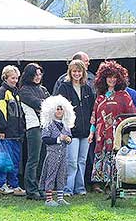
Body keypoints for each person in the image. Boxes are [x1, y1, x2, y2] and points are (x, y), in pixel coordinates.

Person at [87, 60, 136, 193]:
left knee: (114, 157)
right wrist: (92, 133)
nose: (112, 80)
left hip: (117, 133)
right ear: (104, 79)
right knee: (99, 156)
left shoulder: (124, 96)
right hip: (100, 134)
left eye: (115, 77)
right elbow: (94, 117)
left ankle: (112, 183)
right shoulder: (100, 97)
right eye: (109, 77)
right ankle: (97, 183)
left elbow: (132, 114)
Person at [57, 60, 95, 196]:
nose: (77, 74)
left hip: (85, 131)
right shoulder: (64, 87)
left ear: (83, 72)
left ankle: (80, 188)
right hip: (71, 131)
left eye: (79, 71)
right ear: (70, 72)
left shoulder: (87, 88)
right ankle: (68, 188)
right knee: (71, 161)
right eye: (74, 71)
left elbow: (92, 108)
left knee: (82, 161)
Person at [0, 65, 26, 196]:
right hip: (5, 134)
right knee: (3, 160)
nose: (15, 80)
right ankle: (1, 185)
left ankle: (14, 184)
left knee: (15, 161)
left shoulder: (16, 93)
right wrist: (1, 130)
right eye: (12, 78)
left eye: (17, 78)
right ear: (5, 78)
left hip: (16, 134)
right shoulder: (1, 93)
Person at [19, 63, 50, 200]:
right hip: (34, 127)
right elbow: (40, 104)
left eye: (39, 74)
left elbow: (51, 104)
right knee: (34, 159)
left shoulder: (42, 89)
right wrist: (47, 104)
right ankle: (31, 190)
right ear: (29, 75)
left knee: (43, 159)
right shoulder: (24, 90)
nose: (38, 77)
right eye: (35, 74)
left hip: (45, 126)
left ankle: (40, 187)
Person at [39, 95, 75, 207]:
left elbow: (69, 137)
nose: (59, 111)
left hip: (63, 155)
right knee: (50, 175)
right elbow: (45, 139)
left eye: (61, 109)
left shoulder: (66, 124)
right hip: (52, 154)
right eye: (57, 109)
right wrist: (59, 139)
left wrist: (68, 139)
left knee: (61, 174)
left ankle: (60, 198)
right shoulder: (48, 124)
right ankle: (49, 199)